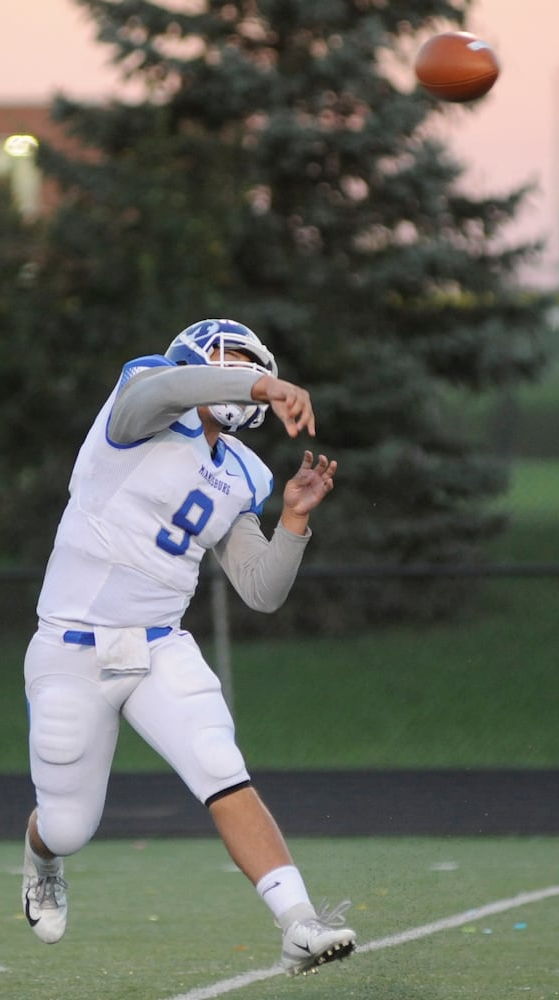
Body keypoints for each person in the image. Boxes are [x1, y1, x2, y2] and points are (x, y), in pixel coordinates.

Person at [20, 319, 356, 977]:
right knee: (68, 825)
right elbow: (175, 387)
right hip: (72, 648)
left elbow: (261, 589)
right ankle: (41, 857)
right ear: (201, 356)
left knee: (219, 764)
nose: (244, 382)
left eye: (249, 368)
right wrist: (260, 380)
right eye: (231, 361)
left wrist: (292, 520)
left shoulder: (241, 471)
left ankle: (298, 923)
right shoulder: (142, 401)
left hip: (159, 647)